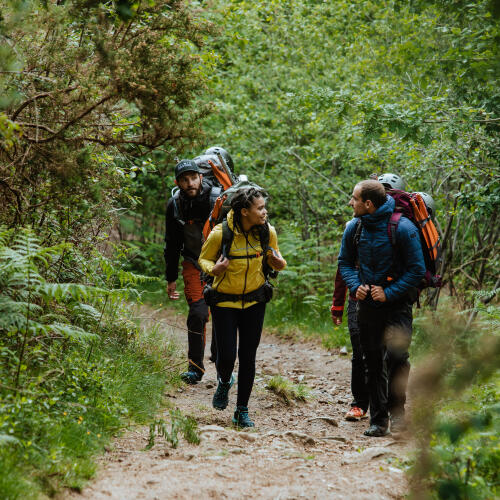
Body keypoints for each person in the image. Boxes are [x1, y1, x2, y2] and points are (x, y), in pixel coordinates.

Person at [338, 180, 425, 436]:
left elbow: (416, 270)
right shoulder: (354, 228)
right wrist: (356, 286)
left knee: (397, 358)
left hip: (397, 306)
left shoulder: (403, 228)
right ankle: (378, 421)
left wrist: (389, 293)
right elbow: (344, 263)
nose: (350, 203)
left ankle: (398, 416)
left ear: (368, 204)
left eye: (354, 198)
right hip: (367, 305)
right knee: (372, 361)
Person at [198, 187, 286, 427]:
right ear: (245, 211)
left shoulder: (268, 232)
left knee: (248, 356)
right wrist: (212, 270)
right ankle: (225, 381)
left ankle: (242, 410)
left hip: (255, 301)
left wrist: (279, 263)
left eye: (264, 207)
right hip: (224, 302)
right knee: (226, 356)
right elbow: (203, 259)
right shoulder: (220, 234)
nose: (265, 212)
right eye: (260, 208)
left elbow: (278, 261)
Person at [164, 159, 219, 384]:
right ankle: (195, 368)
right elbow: (172, 243)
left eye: (193, 178)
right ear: (178, 182)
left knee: (223, 312)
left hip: (220, 265)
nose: (190, 183)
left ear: (201, 178)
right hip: (193, 262)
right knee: (198, 314)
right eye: (184, 180)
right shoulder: (175, 204)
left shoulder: (217, 199)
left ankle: (221, 359)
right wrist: (171, 278)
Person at [331, 267, 369, 421]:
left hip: (388, 299)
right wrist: (337, 306)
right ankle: (359, 404)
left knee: (386, 353)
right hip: (356, 300)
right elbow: (343, 268)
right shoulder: (353, 241)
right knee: (359, 353)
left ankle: (387, 406)